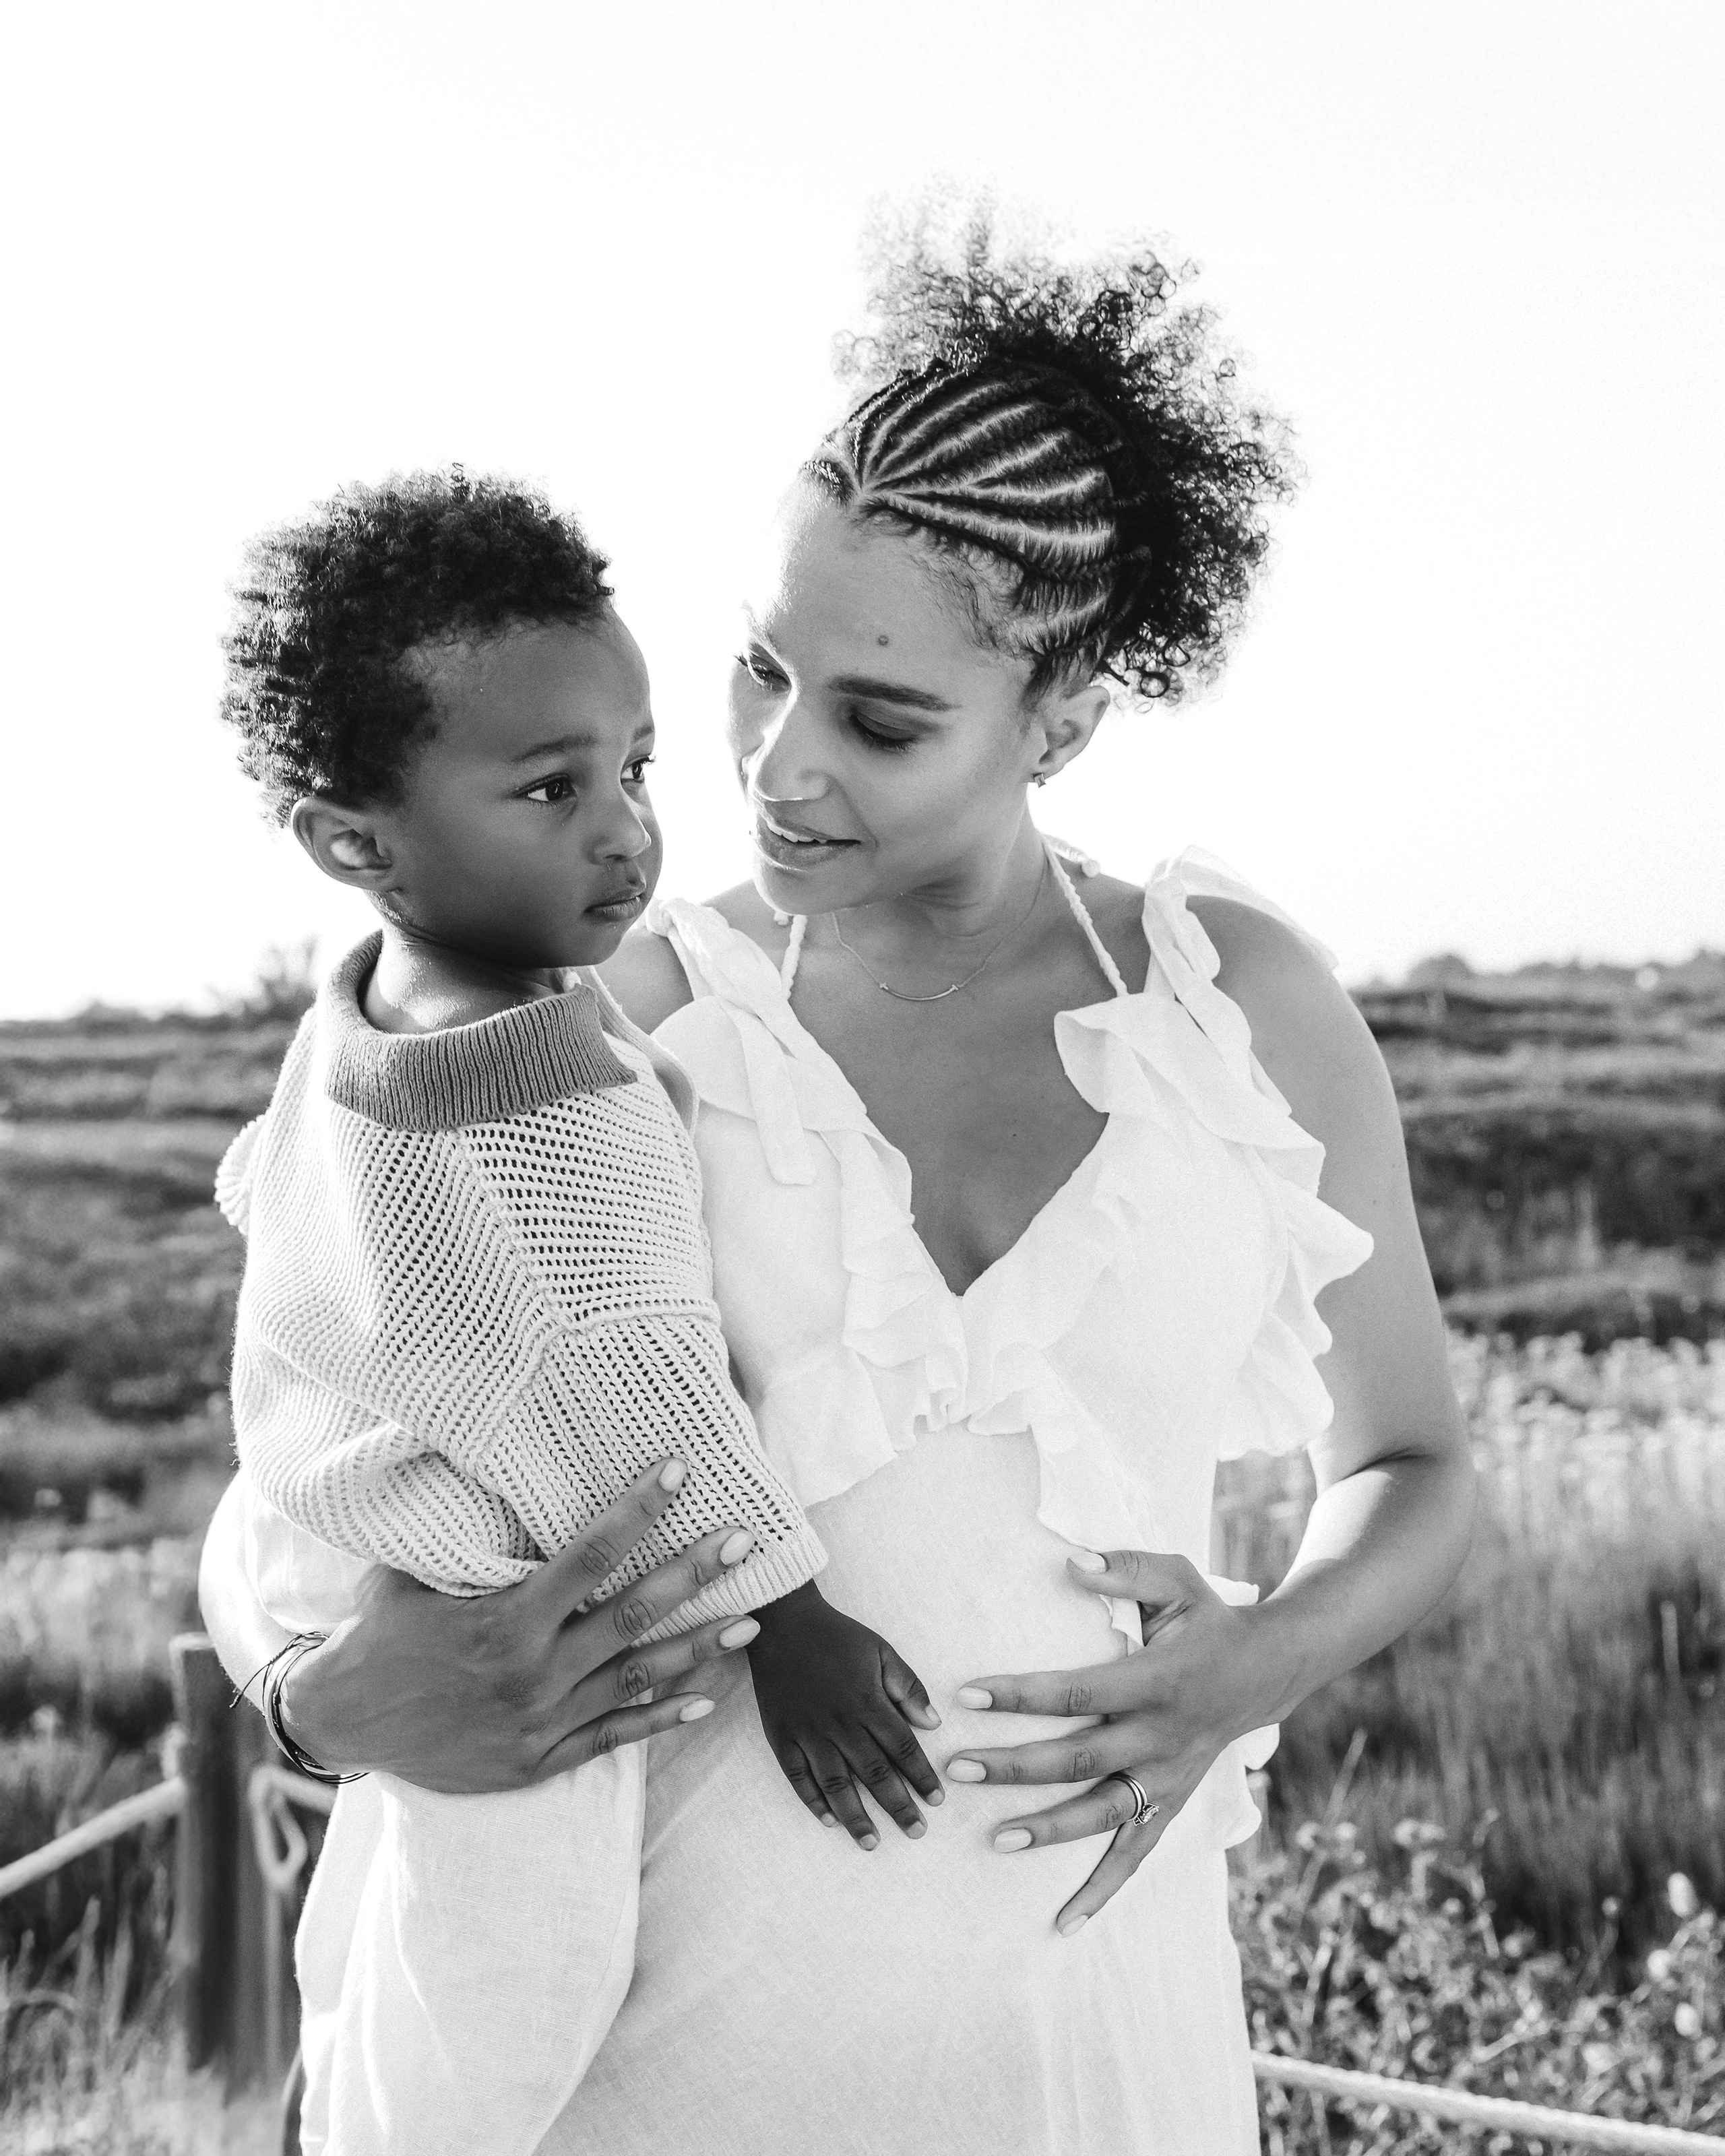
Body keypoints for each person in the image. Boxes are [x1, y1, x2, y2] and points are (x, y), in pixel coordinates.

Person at [201, 218, 1476, 2153]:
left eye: (879, 720)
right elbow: (297, 1451)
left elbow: (1417, 1464)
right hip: (665, 2055)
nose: (776, 768)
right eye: (759, 670)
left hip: (1105, 2050)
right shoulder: (614, 1013)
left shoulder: (1248, 1016)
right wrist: (318, 1695)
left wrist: (1262, 1657)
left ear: (1063, 722)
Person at [212, 472, 943, 2156]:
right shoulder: (552, 1085)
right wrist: (797, 1622)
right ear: (352, 840)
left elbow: (268, 1186)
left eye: (632, 767)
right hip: (506, 1629)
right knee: (518, 1994)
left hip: (352, 1559)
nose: (621, 828)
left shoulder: (362, 1014)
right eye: (549, 787)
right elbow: (643, 1387)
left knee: (390, 1974)